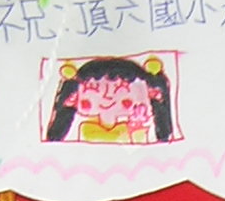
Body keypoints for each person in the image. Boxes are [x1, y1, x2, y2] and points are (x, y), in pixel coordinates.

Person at [44, 55, 174, 143]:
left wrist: (137, 127)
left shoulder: (134, 130)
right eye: (94, 89)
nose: (108, 97)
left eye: (121, 90)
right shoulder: (86, 129)